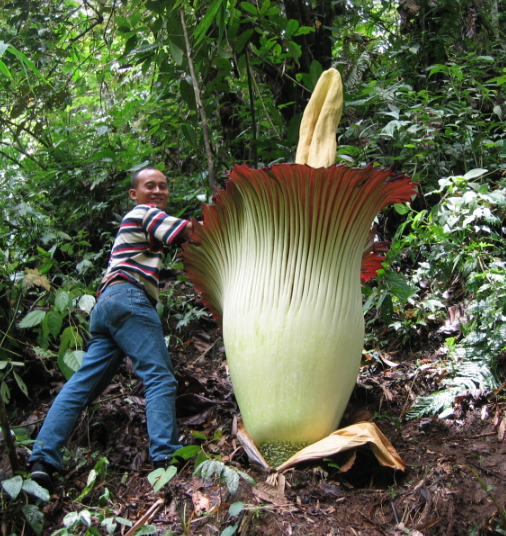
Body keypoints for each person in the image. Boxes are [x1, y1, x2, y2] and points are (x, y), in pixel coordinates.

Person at [29, 167, 194, 491]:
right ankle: (166, 458)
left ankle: (42, 459)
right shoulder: (145, 212)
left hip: (106, 305)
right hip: (130, 299)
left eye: (163, 186)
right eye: (151, 186)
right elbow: (187, 232)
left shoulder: (140, 220)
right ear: (135, 194)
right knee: (159, 377)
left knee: (81, 386)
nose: (159, 191)